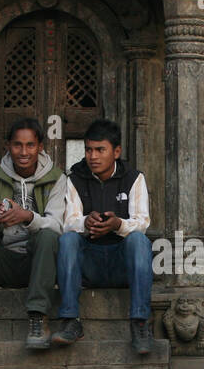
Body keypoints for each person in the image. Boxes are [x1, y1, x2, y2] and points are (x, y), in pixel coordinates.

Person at [0, 117, 65, 350]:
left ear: (40, 147)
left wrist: (28, 217)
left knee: (49, 236)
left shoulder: (57, 179)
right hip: (4, 262)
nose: (23, 152)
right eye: (17, 145)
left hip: (40, 264)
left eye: (30, 145)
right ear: (8, 146)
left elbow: (59, 226)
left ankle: (38, 317)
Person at [51, 118, 154, 355]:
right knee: (68, 239)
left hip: (121, 265)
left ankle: (139, 322)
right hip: (89, 265)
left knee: (139, 240)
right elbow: (67, 222)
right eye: (89, 150)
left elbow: (143, 222)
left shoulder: (134, 178)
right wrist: (85, 223)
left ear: (116, 152)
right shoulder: (75, 178)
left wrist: (117, 224)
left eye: (100, 150)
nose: (93, 156)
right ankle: (70, 320)